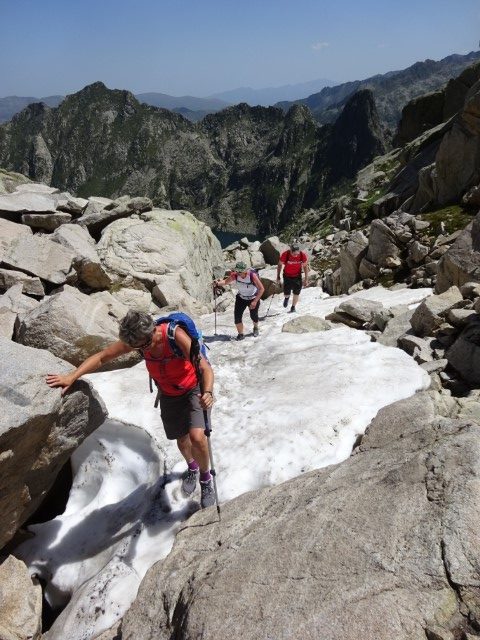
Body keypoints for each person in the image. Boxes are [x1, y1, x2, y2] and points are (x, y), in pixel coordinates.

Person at [46, 310, 216, 509]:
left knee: (197, 437)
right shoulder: (138, 340)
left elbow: (205, 368)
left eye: (144, 344)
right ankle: (192, 467)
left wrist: (208, 392)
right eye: (137, 347)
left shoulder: (175, 335)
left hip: (194, 389)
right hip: (169, 394)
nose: (142, 349)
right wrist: (72, 376)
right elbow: (102, 357)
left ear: (152, 331)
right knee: (181, 438)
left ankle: (205, 479)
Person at [215, 261, 265, 340]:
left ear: (245, 271)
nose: (238, 273)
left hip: (252, 298)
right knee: (237, 317)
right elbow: (225, 282)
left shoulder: (252, 276)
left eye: (239, 272)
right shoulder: (235, 275)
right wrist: (217, 284)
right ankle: (240, 334)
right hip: (241, 298)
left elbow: (261, 289)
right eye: (237, 271)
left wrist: (255, 301)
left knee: (253, 316)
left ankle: (255, 327)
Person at [277, 242, 309, 312]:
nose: (295, 255)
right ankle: (286, 298)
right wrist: (278, 276)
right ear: (291, 251)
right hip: (287, 276)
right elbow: (279, 264)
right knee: (286, 293)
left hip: (297, 276)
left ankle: (293, 307)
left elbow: (305, 266)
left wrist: (306, 279)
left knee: (296, 292)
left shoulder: (302, 255)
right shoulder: (286, 254)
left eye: (297, 254)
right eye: (294, 254)